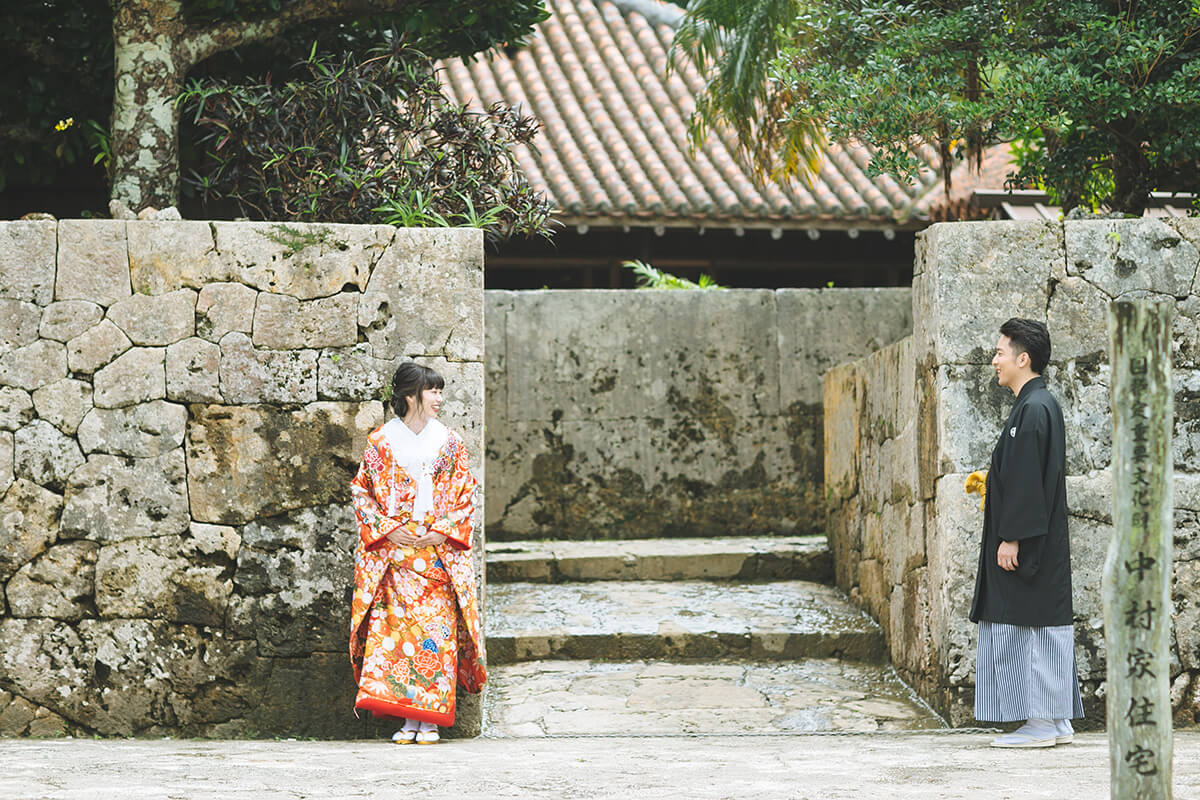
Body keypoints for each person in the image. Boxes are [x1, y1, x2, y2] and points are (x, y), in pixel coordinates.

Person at [349, 362, 486, 744]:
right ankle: (407, 719)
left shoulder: (450, 441)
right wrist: (389, 529)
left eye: (441, 391)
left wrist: (441, 532)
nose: (439, 399)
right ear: (411, 396)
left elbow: (465, 494)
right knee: (393, 636)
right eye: (433, 391)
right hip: (395, 556)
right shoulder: (381, 441)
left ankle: (431, 720)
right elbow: (362, 491)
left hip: (435, 555)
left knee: (434, 635)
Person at [966, 318, 1083, 748]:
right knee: (1041, 621)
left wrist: (1011, 536)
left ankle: (1037, 721)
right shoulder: (1039, 405)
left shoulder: (1032, 408)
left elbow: (1028, 479)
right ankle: (1054, 718)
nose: (994, 360)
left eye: (1000, 352)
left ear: (1023, 358)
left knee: (1023, 622)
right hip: (1040, 540)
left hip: (1026, 543)